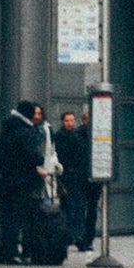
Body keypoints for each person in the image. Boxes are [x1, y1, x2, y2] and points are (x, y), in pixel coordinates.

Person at [0, 99, 49, 263]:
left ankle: (7, 250)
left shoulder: (7, 129)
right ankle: (17, 252)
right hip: (21, 183)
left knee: (6, 217)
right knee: (20, 218)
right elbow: (34, 157)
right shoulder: (25, 132)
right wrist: (39, 161)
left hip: (3, 182)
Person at [54, 108, 94, 251]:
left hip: (77, 178)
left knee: (78, 208)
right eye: (67, 120)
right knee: (69, 209)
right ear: (62, 122)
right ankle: (71, 237)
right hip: (67, 177)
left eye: (71, 120)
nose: (70, 123)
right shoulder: (59, 137)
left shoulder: (75, 137)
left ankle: (77, 237)